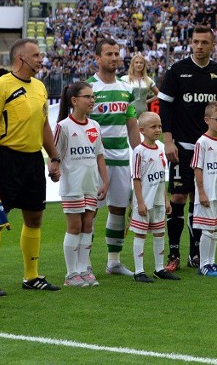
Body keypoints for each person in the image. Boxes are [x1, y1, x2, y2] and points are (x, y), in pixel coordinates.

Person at [0, 38, 62, 295]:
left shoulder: (39, 87)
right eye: (36, 55)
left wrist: (54, 156)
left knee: (35, 217)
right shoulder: (1, 86)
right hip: (7, 159)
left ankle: (31, 276)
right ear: (21, 59)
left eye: (41, 55)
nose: (41, 59)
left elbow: (44, 126)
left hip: (32, 160)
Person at [158, 26, 217, 270]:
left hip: (210, 148)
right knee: (179, 196)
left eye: (205, 42)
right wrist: (168, 140)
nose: (200, 46)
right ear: (190, 43)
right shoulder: (177, 71)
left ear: (213, 45)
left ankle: (196, 253)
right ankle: (174, 254)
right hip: (181, 146)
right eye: (196, 42)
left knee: (200, 200)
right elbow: (165, 106)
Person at [86, 38, 140, 277]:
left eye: (117, 53)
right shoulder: (88, 89)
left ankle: (114, 262)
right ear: (97, 58)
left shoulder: (126, 89)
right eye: (109, 54)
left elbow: (132, 126)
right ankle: (83, 263)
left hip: (120, 158)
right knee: (90, 211)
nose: (114, 58)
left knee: (118, 209)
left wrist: (140, 156)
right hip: (94, 159)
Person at [55, 82, 109, 287]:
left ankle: (84, 269)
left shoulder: (95, 126)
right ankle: (71, 274)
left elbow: (99, 156)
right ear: (74, 101)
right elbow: (55, 155)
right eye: (88, 97)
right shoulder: (63, 126)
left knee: (88, 226)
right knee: (75, 226)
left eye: (93, 96)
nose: (92, 100)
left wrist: (105, 181)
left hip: (90, 185)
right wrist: (55, 169)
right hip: (72, 185)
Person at [130, 112, 180, 283]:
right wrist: (140, 202)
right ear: (142, 130)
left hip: (158, 201)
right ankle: (139, 271)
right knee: (141, 234)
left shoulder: (160, 148)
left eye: (159, 126)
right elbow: (136, 178)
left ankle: (159, 268)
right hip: (144, 201)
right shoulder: (139, 151)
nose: (158, 129)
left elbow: (161, 178)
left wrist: (166, 199)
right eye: (153, 127)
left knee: (159, 233)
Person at [192, 101, 217, 276]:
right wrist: (201, 192)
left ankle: (212, 263)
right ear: (207, 120)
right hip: (206, 193)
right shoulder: (202, 142)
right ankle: (204, 265)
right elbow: (197, 168)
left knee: (215, 229)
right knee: (207, 229)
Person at [119, 53, 159, 118]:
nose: (139, 64)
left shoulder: (148, 80)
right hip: (128, 113)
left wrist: (148, 101)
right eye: (136, 62)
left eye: (141, 63)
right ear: (133, 64)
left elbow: (159, 95)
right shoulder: (125, 79)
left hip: (143, 113)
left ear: (144, 65)